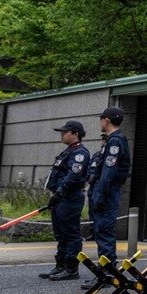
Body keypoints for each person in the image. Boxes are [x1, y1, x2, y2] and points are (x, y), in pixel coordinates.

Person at [41, 120, 91, 281]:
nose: (62, 134)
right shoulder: (67, 151)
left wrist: (60, 193)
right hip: (60, 197)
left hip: (69, 198)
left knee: (71, 234)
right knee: (60, 234)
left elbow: (74, 175)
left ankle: (71, 269)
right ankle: (60, 265)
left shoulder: (80, 153)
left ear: (75, 133)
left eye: (65, 132)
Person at [86, 106, 131, 264]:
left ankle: (107, 270)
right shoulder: (114, 140)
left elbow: (108, 172)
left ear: (107, 120)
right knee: (101, 230)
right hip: (107, 190)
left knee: (104, 230)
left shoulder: (115, 141)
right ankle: (105, 269)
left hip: (107, 191)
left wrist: (100, 195)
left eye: (101, 119)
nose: (100, 122)